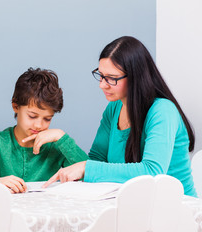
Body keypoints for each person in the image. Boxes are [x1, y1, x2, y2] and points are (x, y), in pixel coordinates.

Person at [43, 36, 197, 197]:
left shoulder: (163, 111)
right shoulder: (114, 108)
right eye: (101, 75)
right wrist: (62, 140)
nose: (102, 84)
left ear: (135, 76)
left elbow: (152, 171)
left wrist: (86, 168)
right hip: (136, 205)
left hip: (176, 209)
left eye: (111, 78)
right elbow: (96, 162)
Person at [0, 68, 89, 193]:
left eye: (47, 119)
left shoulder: (56, 145)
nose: (39, 125)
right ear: (15, 106)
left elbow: (90, 173)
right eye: (32, 116)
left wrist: (62, 137)